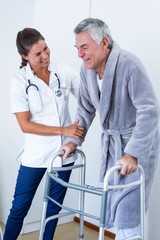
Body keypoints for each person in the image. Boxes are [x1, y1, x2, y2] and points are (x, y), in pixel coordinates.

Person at [60, 18, 160, 240]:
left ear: (104, 42)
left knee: (129, 211)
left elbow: (149, 110)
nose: (79, 54)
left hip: (136, 146)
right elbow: (85, 111)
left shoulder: (128, 64)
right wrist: (73, 142)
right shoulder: (86, 70)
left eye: (84, 47)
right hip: (114, 150)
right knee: (115, 207)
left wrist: (132, 154)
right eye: (77, 48)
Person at [3, 28, 85, 240]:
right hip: (36, 155)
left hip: (63, 154)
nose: (45, 56)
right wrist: (64, 130)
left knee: (53, 210)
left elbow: (88, 98)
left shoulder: (63, 71)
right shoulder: (20, 81)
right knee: (19, 208)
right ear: (25, 56)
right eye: (38, 54)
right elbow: (25, 125)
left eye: (46, 48)